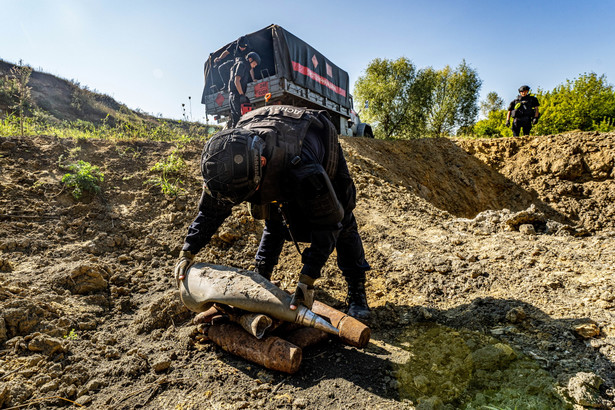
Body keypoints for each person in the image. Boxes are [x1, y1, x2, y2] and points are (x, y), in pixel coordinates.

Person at [174, 105, 372, 321]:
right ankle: (262, 274)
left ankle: (357, 291)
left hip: (316, 142)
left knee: (344, 220)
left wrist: (307, 279)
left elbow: (329, 225)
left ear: (262, 163)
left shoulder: (303, 167)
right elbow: (210, 212)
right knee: (273, 216)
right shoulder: (225, 163)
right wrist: (188, 251)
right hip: (266, 134)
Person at [228, 52, 260, 127]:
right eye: (254, 64)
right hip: (236, 94)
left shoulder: (244, 66)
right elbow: (237, 80)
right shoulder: (242, 65)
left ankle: (235, 135)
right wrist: (241, 95)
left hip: (235, 94)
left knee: (236, 119)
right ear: (250, 59)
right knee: (241, 118)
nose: (254, 66)